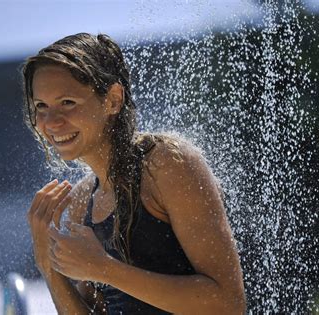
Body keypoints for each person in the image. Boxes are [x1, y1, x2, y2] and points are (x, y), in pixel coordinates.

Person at [23, 33, 246, 314]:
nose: (51, 122)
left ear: (113, 100)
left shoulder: (166, 164)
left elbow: (228, 304)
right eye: (41, 106)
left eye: (67, 102)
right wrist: (47, 265)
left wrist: (104, 268)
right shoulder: (82, 201)